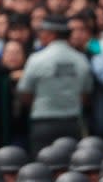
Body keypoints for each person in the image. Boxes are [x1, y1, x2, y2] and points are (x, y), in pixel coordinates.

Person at [17, 16, 92, 153]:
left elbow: (25, 93)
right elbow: (85, 95)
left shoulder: (37, 59)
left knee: (43, 168)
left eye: (42, 31)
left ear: (51, 34)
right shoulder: (81, 59)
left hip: (43, 122)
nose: (40, 35)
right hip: (72, 122)